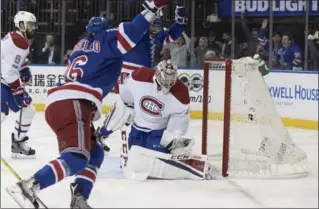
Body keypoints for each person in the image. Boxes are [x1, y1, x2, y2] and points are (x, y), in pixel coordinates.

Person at [6, 1, 169, 208]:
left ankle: (79, 197)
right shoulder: (106, 39)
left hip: (66, 104)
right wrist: (152, 8)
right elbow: (134, 30)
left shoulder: (80, 47)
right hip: (73, 103)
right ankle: (28, 186)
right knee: (76, 158)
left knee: (95, 152)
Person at [98, 59, 214, 180]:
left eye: (171, 81)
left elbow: (179, 121)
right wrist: (105, 130)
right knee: (136, 158)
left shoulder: (181, 93)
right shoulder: (139, 77)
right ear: (157, 74)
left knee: (150, 159)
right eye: (165, 80)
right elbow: (124, 103)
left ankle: (195, 167)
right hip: (137, 131)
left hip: (158, 134)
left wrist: (172, 140)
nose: (167, 84)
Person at [99, 5, 187, 152]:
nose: (155, 29)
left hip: (145, 77)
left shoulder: (158, 35)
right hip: (129, 75)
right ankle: (101, 134)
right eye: (153, 24)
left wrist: (181, 18)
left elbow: (175, 32)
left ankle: (147, 140)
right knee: (124, 110)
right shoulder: (137, 32)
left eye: (158, 26)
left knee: (143, 112)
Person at [1, 11, 37, 159]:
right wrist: (18, 90)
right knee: (1, 114)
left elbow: (15, 61)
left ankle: (18, 142)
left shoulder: (17, 37)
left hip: (5, 81)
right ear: (21, 25)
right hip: (4, 81)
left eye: (34, 25)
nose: (33, 28)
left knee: (28, 110)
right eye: (30, 25)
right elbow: (9, 72)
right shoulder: (19, 42)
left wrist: (24, 69)